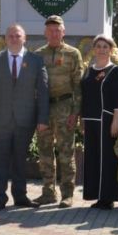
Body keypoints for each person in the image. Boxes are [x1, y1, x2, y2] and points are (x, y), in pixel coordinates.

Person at [0, 23, 49, 212]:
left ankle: (20, 197)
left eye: (18, 35)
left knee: (20, 161)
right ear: (5, 38)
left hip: (24, 120)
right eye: (10, 35)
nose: (14, 38)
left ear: (24, 38)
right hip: (0, 120)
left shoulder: (36, 61)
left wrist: (43, 119)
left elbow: (43, 92)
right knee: (0, 162)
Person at [32, 15, 83, 207]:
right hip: (44, 109)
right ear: (45, 32)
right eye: (50, 30)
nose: (54, 33)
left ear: (64, 32)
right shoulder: (37, 54)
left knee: (66, 152)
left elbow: (78, 86)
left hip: (65, 108)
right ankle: (48, 192)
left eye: (57, 30)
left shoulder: (73, 54)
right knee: (44, 152)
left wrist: (75, 113)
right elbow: (33, 87)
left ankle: (67, 194)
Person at [80, 34, 118, 210]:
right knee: (92, 159)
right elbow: (85, 96)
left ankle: (108, 197)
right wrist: (82, 119)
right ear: (94, 49)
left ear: (111, 50)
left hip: (106, 120)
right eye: (98, 46)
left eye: (105, 46)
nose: (101, 49)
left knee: (107, 160)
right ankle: (96, 194)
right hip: (90, 120)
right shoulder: (89, 70)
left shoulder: (114, 71)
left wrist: (116, 120)